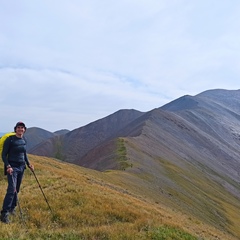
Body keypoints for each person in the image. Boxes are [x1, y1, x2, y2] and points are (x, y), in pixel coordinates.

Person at [0, 121, 34, 224]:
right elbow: (3, 155)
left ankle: (12, 208)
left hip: (21, 167)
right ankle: (4, 213)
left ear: (24, 130)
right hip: (12, 168)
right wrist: (8, 166)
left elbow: (24, 153)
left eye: (22, 128)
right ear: (16, 129)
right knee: (12, 189)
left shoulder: (24, 139)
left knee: (17, 189)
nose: (20, 129)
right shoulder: (10, 140)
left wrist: (29, 164)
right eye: (19, 127)